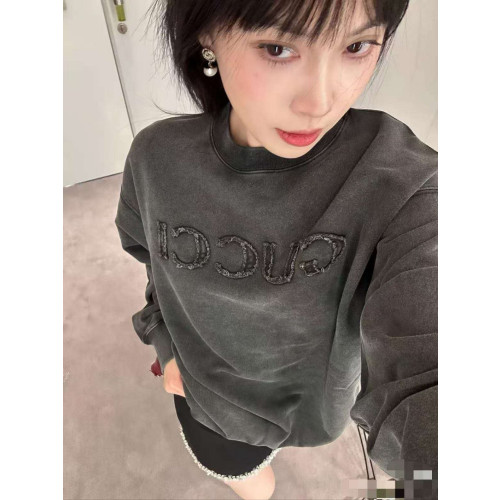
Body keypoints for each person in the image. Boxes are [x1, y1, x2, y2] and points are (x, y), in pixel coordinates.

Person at [114, 0, 438, 498]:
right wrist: (165, 344)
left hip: (314, 412)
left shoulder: (404, 181)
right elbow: (153, 262)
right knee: (255, 488)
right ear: (206, 36)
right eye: (277, 48)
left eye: (356, 46)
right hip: (209, 408)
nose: (320, 101)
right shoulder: (156, 157)